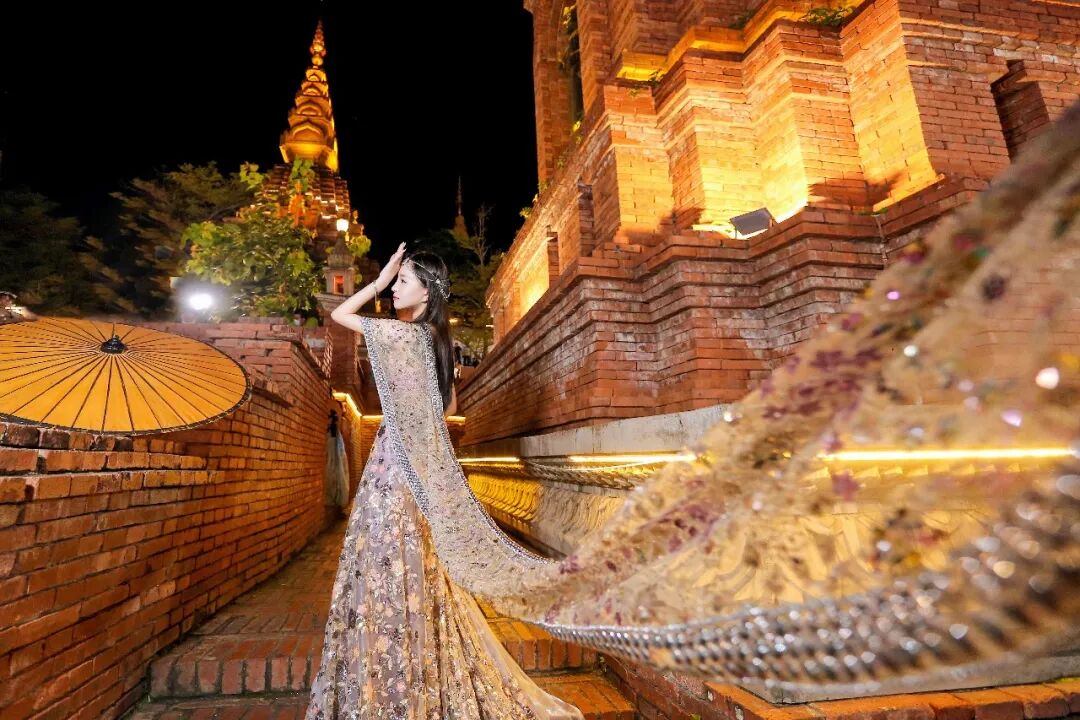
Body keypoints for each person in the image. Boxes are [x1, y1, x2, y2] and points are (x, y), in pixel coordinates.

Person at [308, 243, 583, 719]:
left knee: (383, 565)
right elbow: (449, 406)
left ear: (427, 291)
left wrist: (374, 283)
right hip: (419, 469)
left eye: (402, 282)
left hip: (393, 468)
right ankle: (411, 674)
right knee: (413, 565)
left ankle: (389, 686)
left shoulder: (400, 335)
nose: (394, 289)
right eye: (394, 282)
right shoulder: (435, 342)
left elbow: (340, 316)